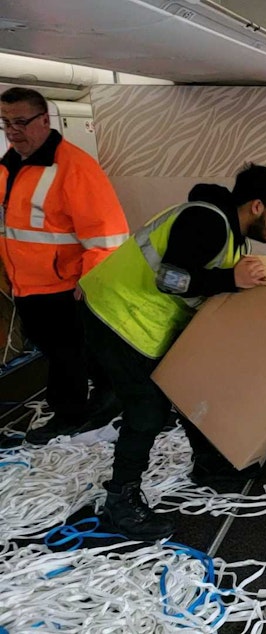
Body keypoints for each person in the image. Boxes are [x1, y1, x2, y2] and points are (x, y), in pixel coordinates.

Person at [78, 163, 266, 540]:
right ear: (257, 206)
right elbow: (170, 278)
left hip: (142, 321)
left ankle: (208, 465)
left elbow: (204, 285)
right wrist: (231, 279)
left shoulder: (233, 236)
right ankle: (120, 501)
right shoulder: (206, 221)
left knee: (187, 384)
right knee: (148, 408)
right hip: (114, 314)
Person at [0, 87, 128, 445]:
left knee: (67, 356)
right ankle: (100, 406)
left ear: (45, 120)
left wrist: (89, 283)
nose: (13, 130)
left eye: (21, 122)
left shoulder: (75, 168)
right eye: (6, 122)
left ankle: (71, 416)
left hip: (65, 286)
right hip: (26, 284)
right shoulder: (9, 166)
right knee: (62, 353)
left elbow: (107, 235)